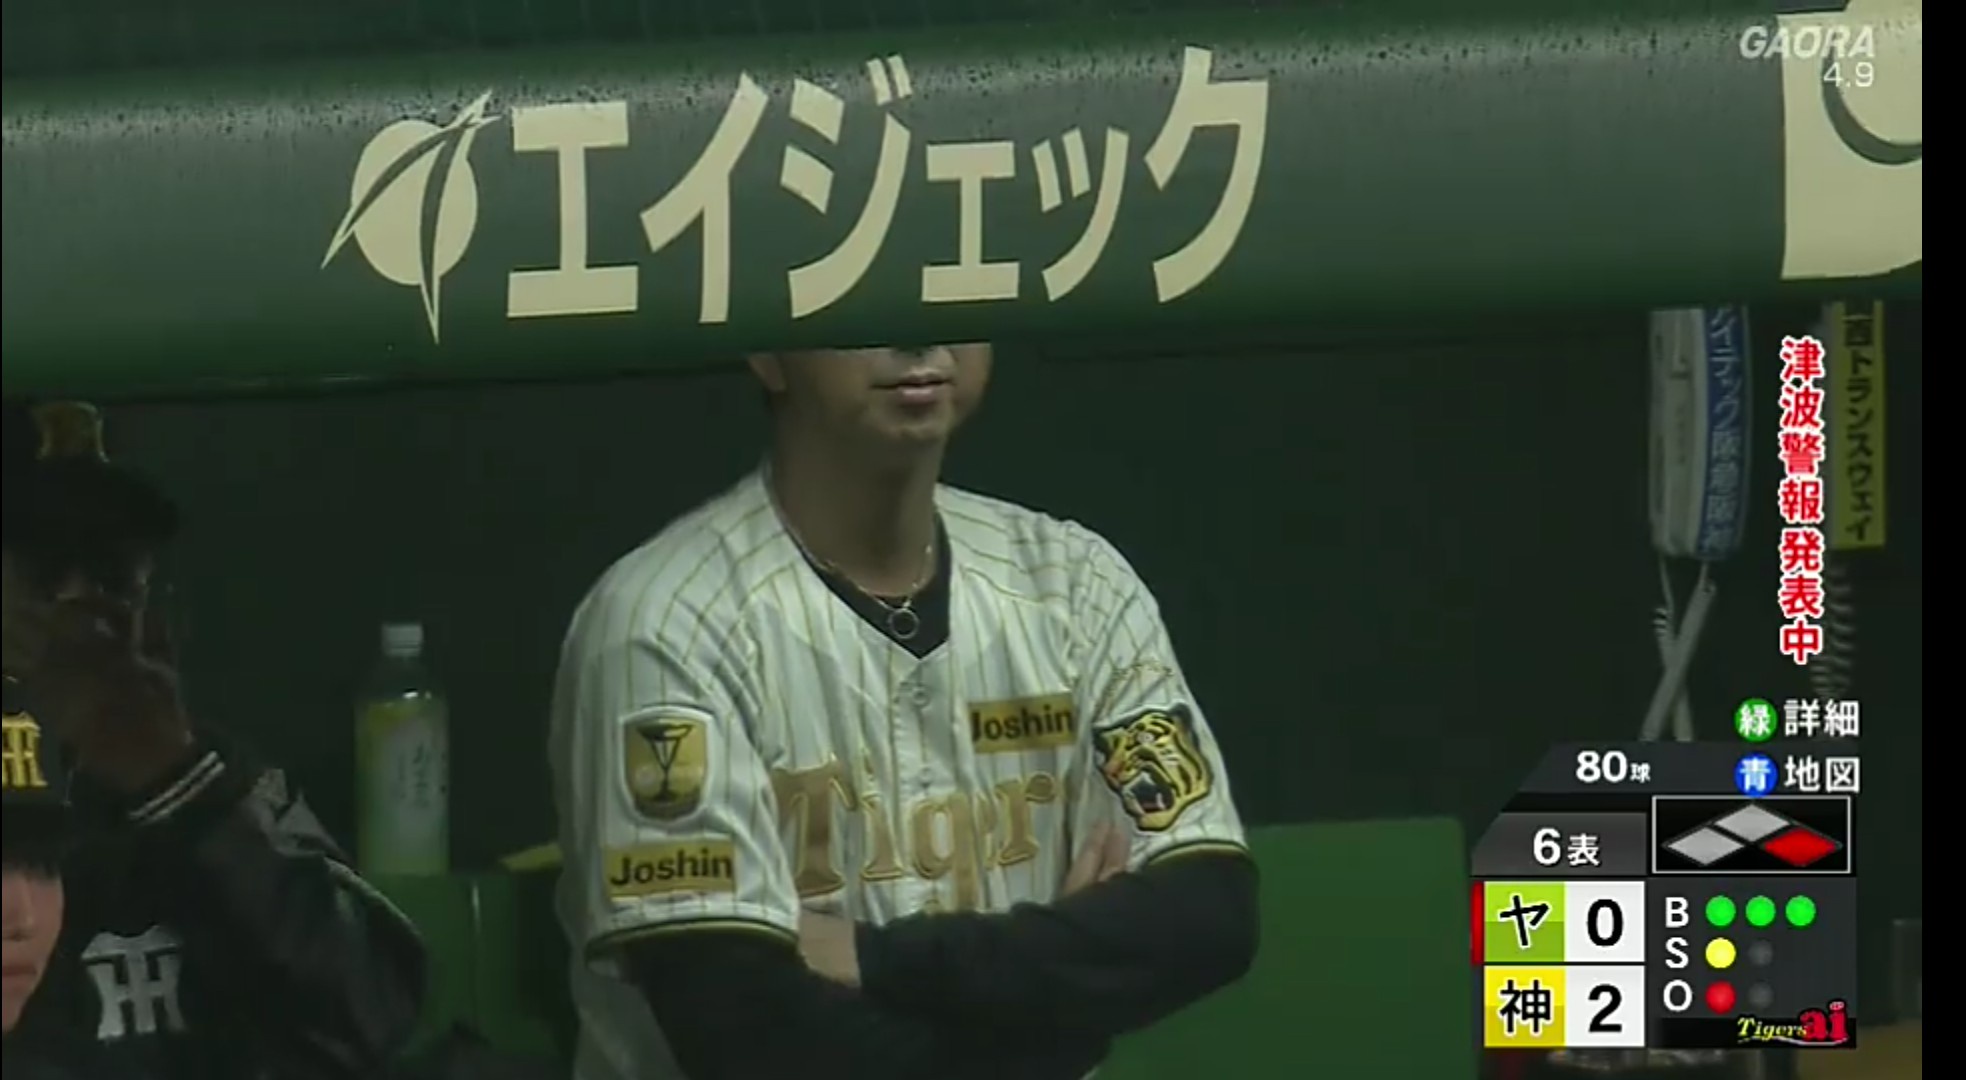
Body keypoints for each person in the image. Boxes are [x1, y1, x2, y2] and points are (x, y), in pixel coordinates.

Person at [551, 346, 1260, 1080]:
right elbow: (745, 1034)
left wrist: (871, 956)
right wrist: (1056, 1014)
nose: (919, 337)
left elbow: (1208, 916)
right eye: (864, 302)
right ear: (768, 354)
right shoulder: (666, 620)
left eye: (948, 295)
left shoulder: (1077, 583)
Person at [0, 400, 428, 1079]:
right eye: (47, 573)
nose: (86, 605)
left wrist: (175, 781)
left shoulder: (208, 777)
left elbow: (373, 1013)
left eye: (111, 575)